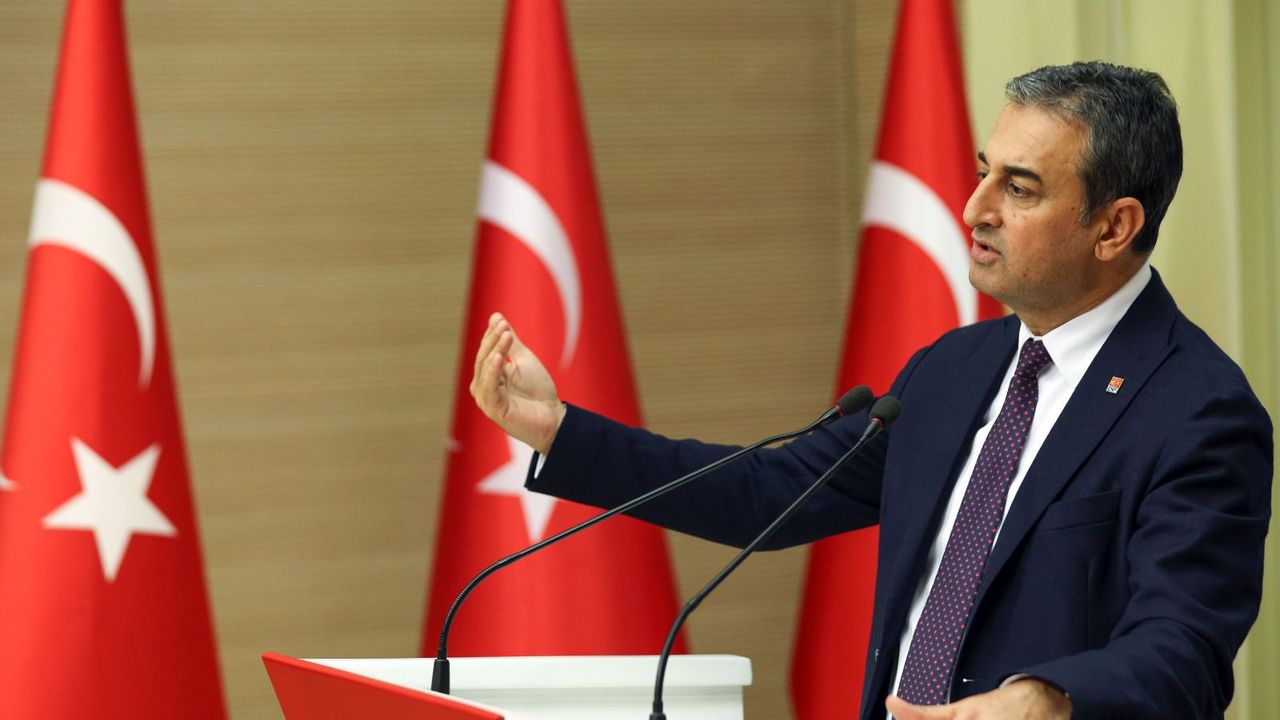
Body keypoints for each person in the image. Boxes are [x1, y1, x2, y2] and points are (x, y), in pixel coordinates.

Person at [469, 61, 1273, 719]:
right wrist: (560, 432)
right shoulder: (953, 368)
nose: (975, 208)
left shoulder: (1198, 411)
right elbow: (769, 493)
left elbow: (1184, 650)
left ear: (1114, 227)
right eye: (983, 173)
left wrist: (1047, 699)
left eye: (1019, 189)